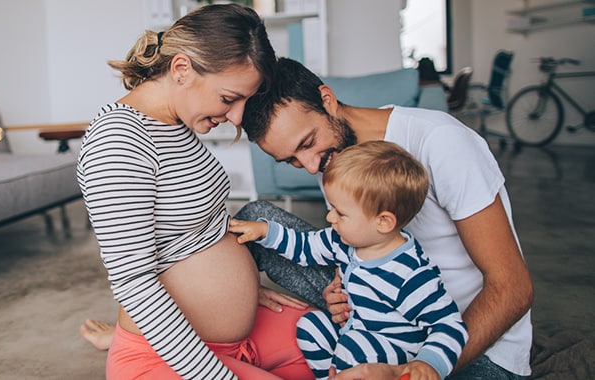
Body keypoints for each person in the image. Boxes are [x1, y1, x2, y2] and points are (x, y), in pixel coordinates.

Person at [235, 57, 534, 380]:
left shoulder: (439, 141)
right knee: (255, 219)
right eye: (291, 161)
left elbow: (513, 289)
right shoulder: (333, 160)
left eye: (307, 143)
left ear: (327, 100)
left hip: (462, 339)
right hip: (379, 319)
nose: (309, 166)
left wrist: (409, 371)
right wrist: (340, 287)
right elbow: (354, 245)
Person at [76, 5, 315, 379]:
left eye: (244, 102)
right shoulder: (119, 141)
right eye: (228, 99)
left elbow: (196, 232)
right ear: (182, 69)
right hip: (166, 357)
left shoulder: (176, 122)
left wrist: (244, 291)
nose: (237, 117)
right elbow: (133, 281)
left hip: (233, 335)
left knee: (341, 344)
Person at [229, 141, 468, 380]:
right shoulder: (343, 240)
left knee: (355, 346)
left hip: (395, 352)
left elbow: (449, 324)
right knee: (310, 326)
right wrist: (264, 231)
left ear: (383, 222)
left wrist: (428, 363)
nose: (329, 217)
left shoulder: (410, 274)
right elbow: (305, 246)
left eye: (340, 213)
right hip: (355, 330)